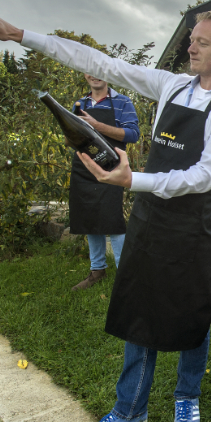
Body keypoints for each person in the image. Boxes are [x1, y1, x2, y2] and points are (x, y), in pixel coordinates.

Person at [0, 10, 211, 422]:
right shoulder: (173, 85)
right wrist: (20, 35)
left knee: (192, 310)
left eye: (200, 41)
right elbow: (105, 64)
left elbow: (202, 176)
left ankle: (187, 396)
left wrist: (131, 180)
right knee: (139, 307)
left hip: (192, 221)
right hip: (149, 216)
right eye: (191, 40)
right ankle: (129, 411)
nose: (190, 47)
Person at [68, 73, 140, 291]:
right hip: (84, 167)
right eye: (90, 70)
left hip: (111, 167)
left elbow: (132, 134)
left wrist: (97, 125)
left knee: (112, 219)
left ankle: (123, 274)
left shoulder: (123, 102)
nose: (95, 75)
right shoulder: (80, 103)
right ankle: (97, 270)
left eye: (99, 70)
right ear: (84, 74)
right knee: (89, 217)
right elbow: (70, 137)